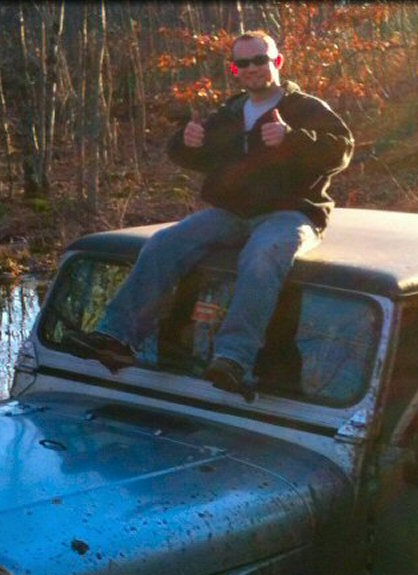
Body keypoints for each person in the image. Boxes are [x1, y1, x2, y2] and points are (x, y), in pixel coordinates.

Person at [69, 30, 354, 401]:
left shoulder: (306, 109)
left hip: (290, 214)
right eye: (244, 62)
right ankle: (117, 338)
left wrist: (293, 138)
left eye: (260, 60)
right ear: (236, 69)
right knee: (164, 243)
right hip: (230, 213)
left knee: (262, 256)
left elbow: (342, 152)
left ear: (277, 62)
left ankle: (233, 359)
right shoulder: (231, 112)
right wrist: (184, 143)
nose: (252, 68)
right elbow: (197, 157)